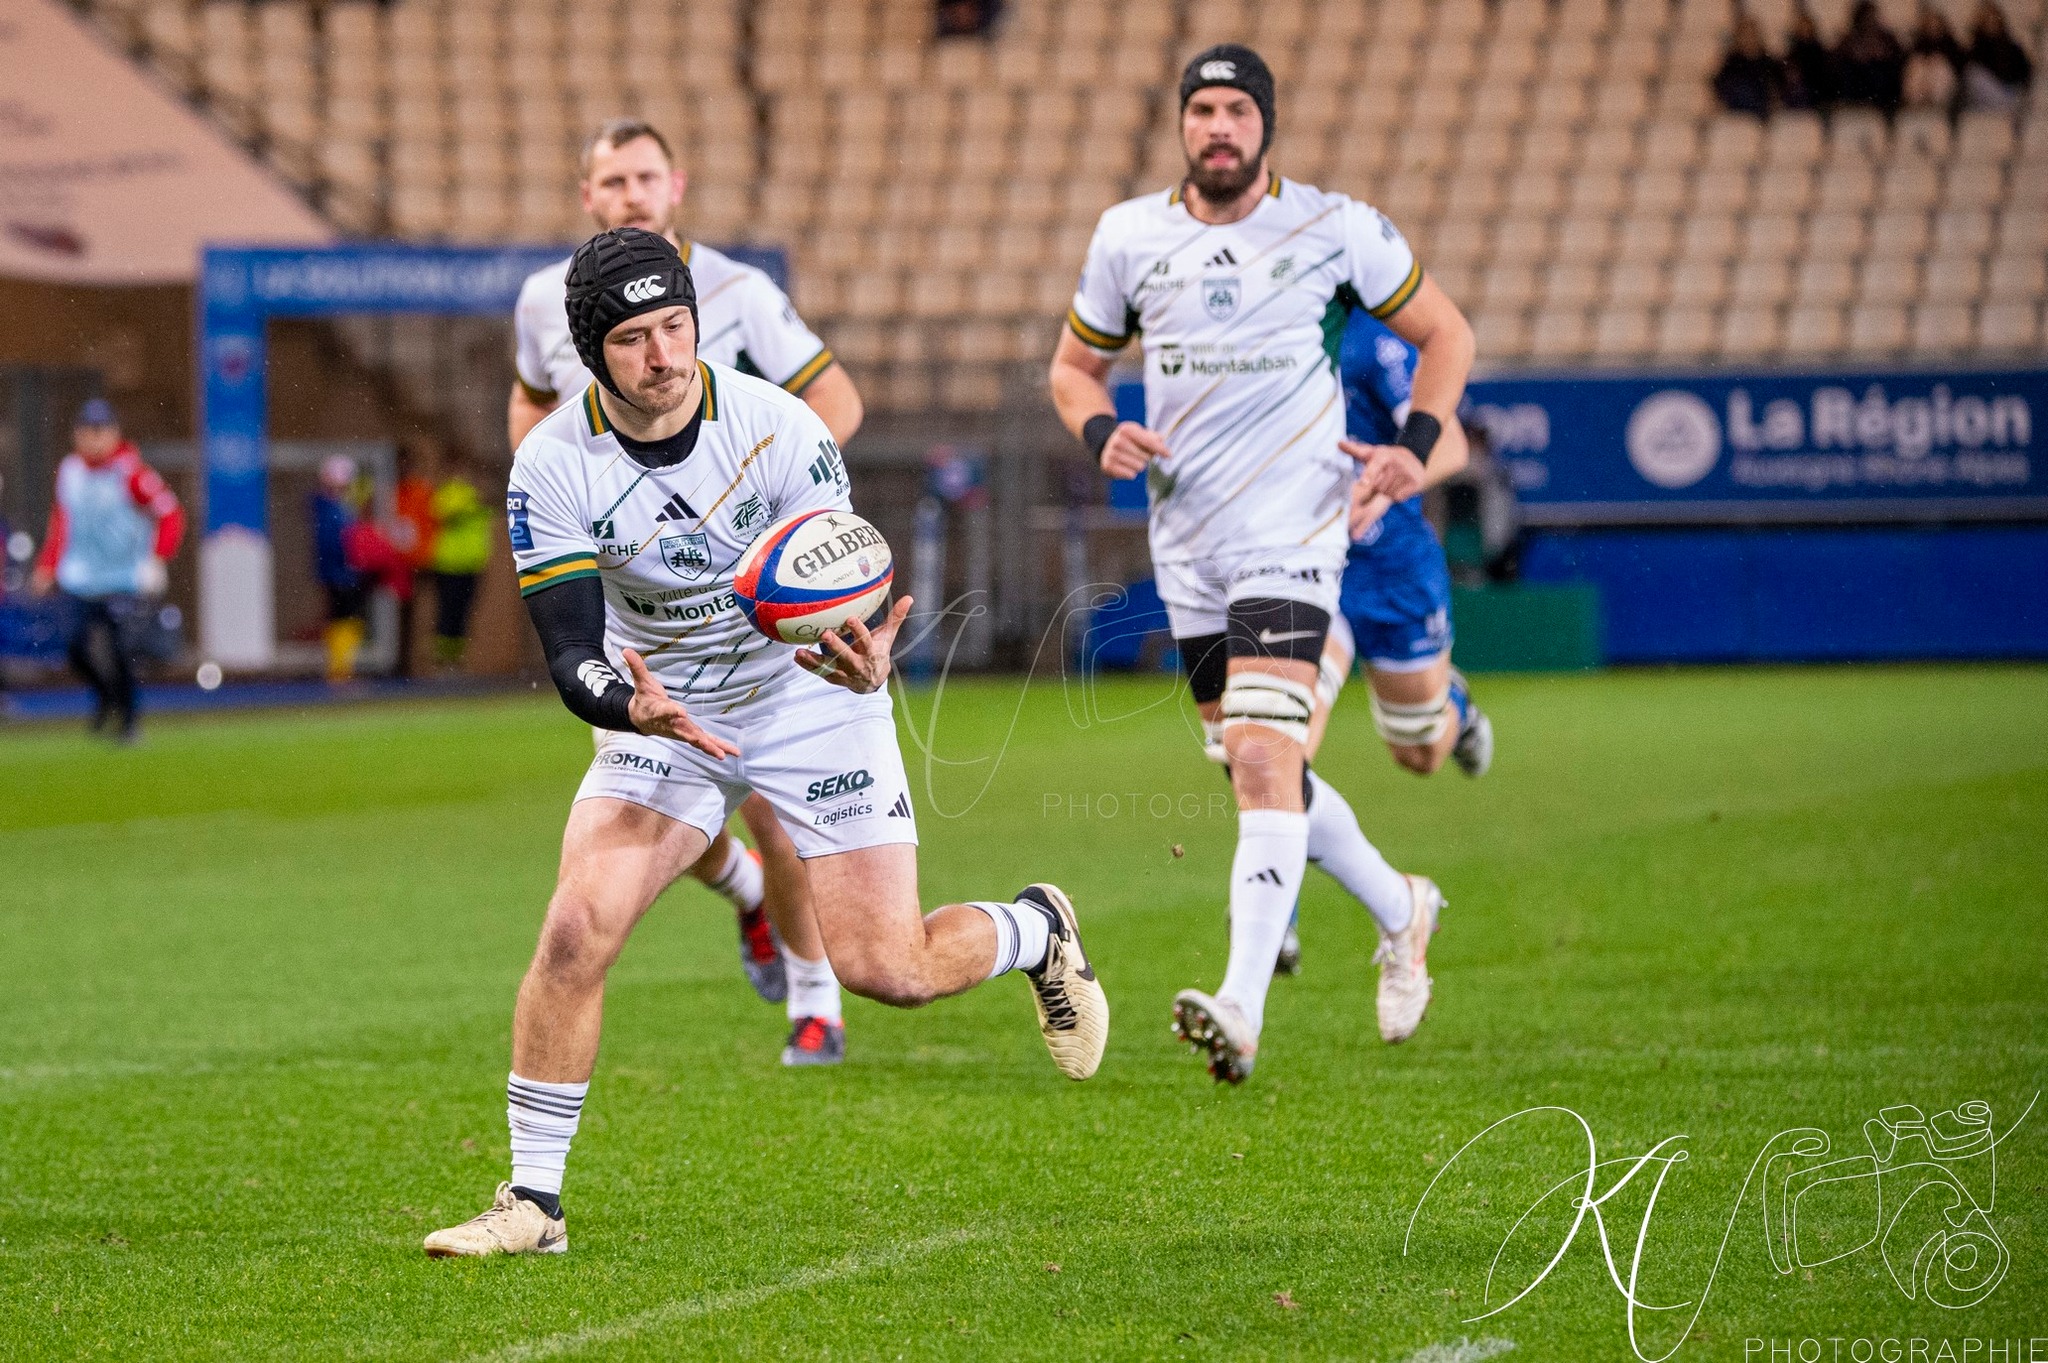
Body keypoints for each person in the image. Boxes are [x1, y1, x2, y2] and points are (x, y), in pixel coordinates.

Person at [423, 230, 1108, 1256]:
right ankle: (533, 1203)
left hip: (807, 700)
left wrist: (861, 659)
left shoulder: (778, 427)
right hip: (664, 709)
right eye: (634, 340)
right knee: (575, 930)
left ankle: (1032, 931)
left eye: (675, 327)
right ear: (590, 351)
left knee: (891, 969)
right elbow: (570, 655)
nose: (663, 356)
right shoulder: (553, 463)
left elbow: (833, 588)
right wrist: (630, 706)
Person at [1048, 46, 1475, 1084]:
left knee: (1259, 748)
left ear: (1265, 125)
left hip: (1294, 529)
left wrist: (1412, 449)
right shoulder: (1127, 236)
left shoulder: (1334, 227)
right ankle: (1398, 905)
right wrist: (1098, 424)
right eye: (1202, 110)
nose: (1218, 127)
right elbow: (1071, 366)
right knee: (1250, 759)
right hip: (1187, 544)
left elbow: (1444, 333)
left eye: (1237, 109)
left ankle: (1239, 1003)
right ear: (1181, 127)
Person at [510, 117, 864, 1062]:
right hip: (635, 617)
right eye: (613, 181)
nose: (631, 194)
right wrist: (560, 502)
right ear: (588, 195)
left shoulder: (742, 292)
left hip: (752, 605)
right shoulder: (546, 302)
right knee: (666, 807)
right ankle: (747, 898)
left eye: (646, 177)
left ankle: (814, 995)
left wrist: (793, 527)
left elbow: (834, 403)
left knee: (770, 805)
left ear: (678, 185)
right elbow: (525, 403)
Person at [1271, 313, 1495, 995]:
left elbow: (1452, 443)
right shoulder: (1250, 340)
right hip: (1306, 569)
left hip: (1391, 569)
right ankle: (1275, 910)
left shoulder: (1371, 342)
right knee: (1281, 739)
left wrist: (1394, 473)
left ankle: (1454, 707)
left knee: (1419, 751)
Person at [31, 398, 185, 740]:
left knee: (121, 651)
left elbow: (171, 515)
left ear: (114, 433)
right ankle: (106, 699)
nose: (93, 439)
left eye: (100, 431)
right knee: (73, 649)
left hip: (122, 579)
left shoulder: (133, 473)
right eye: (86, 431)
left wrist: (156, 558)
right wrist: (47, 564)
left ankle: (129, 723)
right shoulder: (69, 471)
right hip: (81, 578)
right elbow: (62, 521)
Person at [427, 455, 493, 670]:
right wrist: (470, 506)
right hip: (450, 563)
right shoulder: (448, 492)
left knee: (463, 612)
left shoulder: (476, 495)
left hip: (471, 564)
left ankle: (456, 658)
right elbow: (444, 514)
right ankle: (443, 658)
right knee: (448, 611)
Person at [312, 455, 369, 683]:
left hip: (341, 571)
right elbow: (335, 542)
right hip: (341, 572)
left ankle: (341, 667)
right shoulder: (331, 508)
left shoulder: (336, 507)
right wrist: (352, 558)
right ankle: (339, 668)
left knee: (345, 619)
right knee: (345, 618)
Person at [1836, 0, 1907, 113]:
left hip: (1881, 90)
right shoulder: (1850, 39)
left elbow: (1898, 57)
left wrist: (1881, 55)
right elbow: (1839, 59)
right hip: (1858, 85)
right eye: (1867, 17)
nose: (1870, 21)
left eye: (1872, 17)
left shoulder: (1887, 38)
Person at [1962, 0, 2033, 108]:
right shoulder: (1976, 48)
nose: (1991, 22)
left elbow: (2024, 73)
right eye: (1987, 19)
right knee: (1973, 74)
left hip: (2011, 92)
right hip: (1986, 100)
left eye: (1993, 18)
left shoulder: (2012, 47)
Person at [1714, 13, 1786, 115]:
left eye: (1751, 35)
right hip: (1735, 113)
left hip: (1762, 113)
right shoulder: (1731, 62)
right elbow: (1720, 87)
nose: (1748, 39)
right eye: (1744, 35)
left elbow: (1777, 89)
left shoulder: (1769, 62)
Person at [1902, 3, 1964, 110]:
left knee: (1939, 66)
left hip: (1944, 84)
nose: (1932, 27)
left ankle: (1936, 104)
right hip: (1922, 81)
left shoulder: (1950, 44)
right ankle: (1917, 103)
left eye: (1935, 24)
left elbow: (1957, 66)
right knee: (1918, 65)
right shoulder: (1918, 44)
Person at [1783, 6, 1840, 110]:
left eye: (1807, 26)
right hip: (1804, 92)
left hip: (1819, 90)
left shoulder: (1820, 51)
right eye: (1802, 26)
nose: (1805, 29)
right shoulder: (1793, 51)